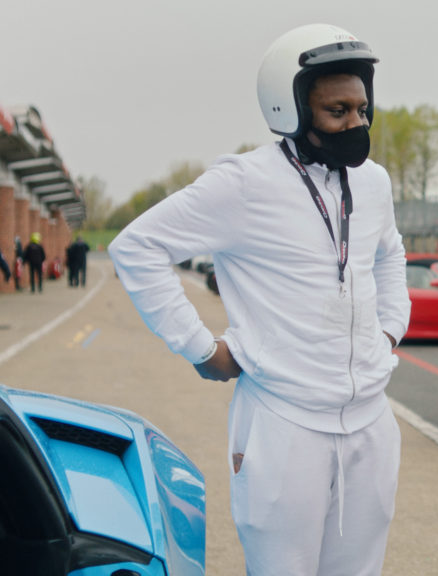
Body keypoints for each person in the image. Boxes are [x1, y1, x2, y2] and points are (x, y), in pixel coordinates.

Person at [109, 24, 410, 575]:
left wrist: (389, 329)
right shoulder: (244, 184)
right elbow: (137, 247)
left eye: (362, 108)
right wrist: (201, 348)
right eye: (337, 111)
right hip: (284, 423)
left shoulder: (374, 183)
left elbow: (390, 254)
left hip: (370, 419)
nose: (356, 123)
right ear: (289, 108)